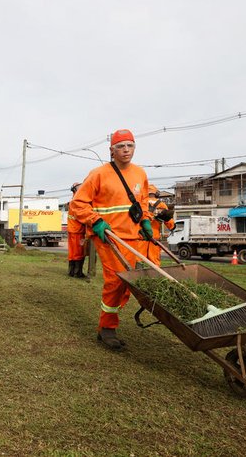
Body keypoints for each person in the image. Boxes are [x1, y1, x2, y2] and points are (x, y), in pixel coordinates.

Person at [73, 129, 153, 350]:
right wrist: (96, 221)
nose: (126, 150)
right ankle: (107, 328)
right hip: (108, 237)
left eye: (130, 145)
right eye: (120, 146)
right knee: (116, 281)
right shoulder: (98, 174)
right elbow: (78, 204)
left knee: (127, 285)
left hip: (132, 238)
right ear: (111, 150)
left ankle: (109, 320)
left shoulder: (140, 174)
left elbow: (143, 202)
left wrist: (145, 220)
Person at [145, 185, 175, 266]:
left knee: (138, 260)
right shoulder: (161, 205)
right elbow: (168, 220)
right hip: (154, 237)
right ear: (156, 193)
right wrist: (172, 227)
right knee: (154, 261)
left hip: (141, 236)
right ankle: (154, 276)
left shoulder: (141, 203)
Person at [67, 182, 87, 278]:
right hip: (77, 231)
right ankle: (77, 272)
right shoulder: (77, 201)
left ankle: (71, 271)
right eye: (79, 187)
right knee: (78, 251)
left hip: (73, 230)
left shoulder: (73, 201)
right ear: (75, 189)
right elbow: (82, 216)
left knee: (72, 252)